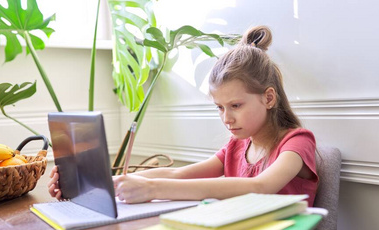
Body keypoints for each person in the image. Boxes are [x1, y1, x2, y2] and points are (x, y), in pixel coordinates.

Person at [48, 25, 318, 206]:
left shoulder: (297, 142)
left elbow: (261, 187)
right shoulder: (236, 147)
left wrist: (153, 190)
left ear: (269, 98)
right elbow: (179, 175)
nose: (226, 118)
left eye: (235, 105)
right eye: (220, 107)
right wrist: (101, 184)